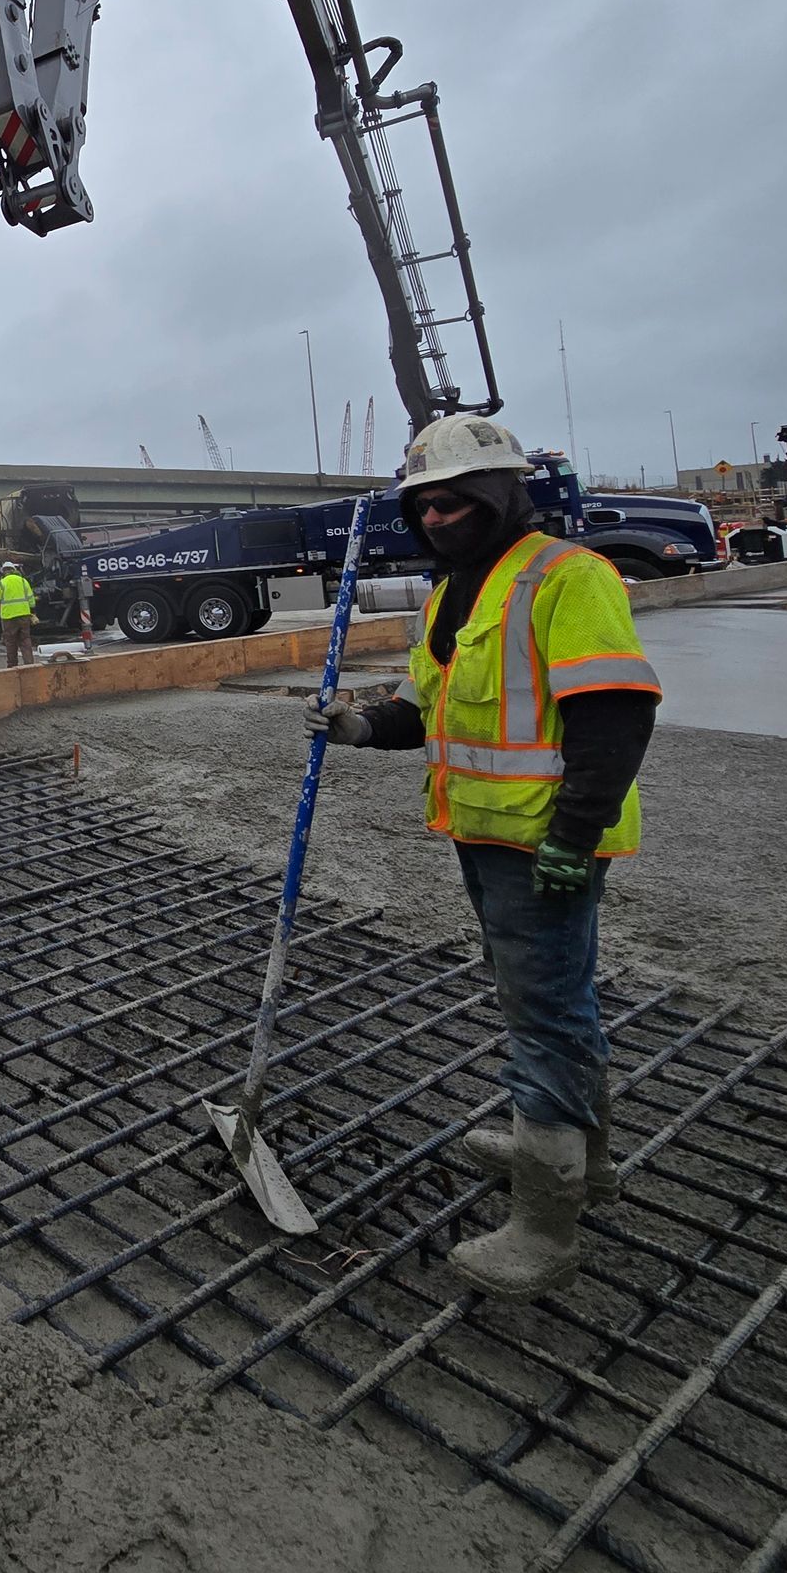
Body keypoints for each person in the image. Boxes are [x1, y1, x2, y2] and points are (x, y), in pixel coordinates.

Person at [307, 415, 660, 1300]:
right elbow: (427, 713)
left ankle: (547, 1225)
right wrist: (357, 726)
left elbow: (615, 714)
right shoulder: (453, 592)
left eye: (455, 498)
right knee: (543, 1000)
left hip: (546, 843)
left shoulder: (566, 576)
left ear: (505, 493)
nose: (437, 514)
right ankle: (585, 1155)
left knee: (545, 1015)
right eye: (423, 503)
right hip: (484, 836)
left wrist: (575, 838)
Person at [0, 558, 37, 668]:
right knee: (25, 639)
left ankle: (12, 665)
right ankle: (29, 664)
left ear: (3, 571)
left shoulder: (1, 583)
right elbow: (31, 599)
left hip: (9, 617)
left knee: (10, 642)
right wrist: (32, 612)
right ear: (14, 570)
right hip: (24, 615)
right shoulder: (23, 581)